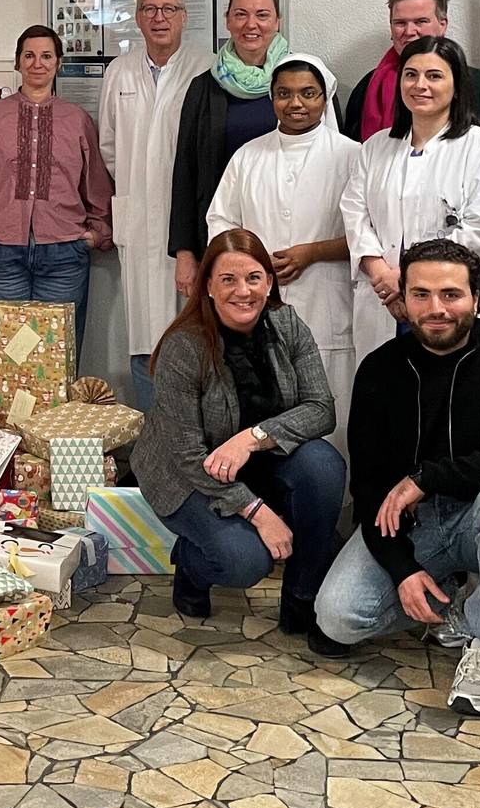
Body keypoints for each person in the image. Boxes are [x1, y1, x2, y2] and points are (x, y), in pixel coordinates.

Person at [313, 240, 480, 717]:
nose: (436, 309)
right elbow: (369, 485)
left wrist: (426, 478)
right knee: (338, 618)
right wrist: (402, 568)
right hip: (415, 524)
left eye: (451, 294)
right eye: (421, 295)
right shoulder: (380, 369)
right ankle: (457, 607)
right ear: (402, 299)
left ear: (477, 298)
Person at [133, 228, 348, 654]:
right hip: (188, 475)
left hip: (255, 458)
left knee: (324, 465)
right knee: (245, 561)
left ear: (269, 282)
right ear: (207, 286)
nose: (243, 291)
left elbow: (321, 409)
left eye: (253, 277)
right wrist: (258, 513)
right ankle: (192, 567)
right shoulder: (184, 346)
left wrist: (252, 438)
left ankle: (302, 600)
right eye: (228, 279)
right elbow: (187, 455)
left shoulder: (287, 325)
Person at [204, 54, 360, 452]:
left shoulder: (352, 155)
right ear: (271, 99)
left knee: (330, 408)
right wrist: (251, 266)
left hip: (328, 299)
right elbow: (221, 222)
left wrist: (314, 252)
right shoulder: (248, 156)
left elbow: (372, 234)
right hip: (258, 305)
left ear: (325, 98)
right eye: (284, 94)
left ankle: (334, 506)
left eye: (308, 93)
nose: (296, 103)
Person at [341, 36, 480, 357]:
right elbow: (355, 215)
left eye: (434, 75)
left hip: (457, 302)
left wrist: (408, 281)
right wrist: (382, 274)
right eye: (411, 74)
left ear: (457, 85)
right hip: (385, 303)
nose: (420, 84)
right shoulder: (375, 148)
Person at [0, 25, 114, 338]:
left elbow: (95, 182)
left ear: (58, 63)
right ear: (17, 63)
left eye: (46, 56)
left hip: (64, 251)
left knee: (58, 351)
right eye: (29, 55)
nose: (37, 63)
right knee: (7, 354)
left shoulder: (78, 118)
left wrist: (97, 233)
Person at [99, 0, 211, 407]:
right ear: (138, 17)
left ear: (184, 16)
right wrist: (138, 187)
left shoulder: (207, 67)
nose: (159, 17)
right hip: (137, 215)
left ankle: (191, 433)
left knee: (190, 329)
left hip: (188, 223)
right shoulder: (119, 72)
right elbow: (107, 144)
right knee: (143, 329)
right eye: (149, 9)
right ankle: (152, 433)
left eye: (169, 9)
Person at [168, 0, 292, 299]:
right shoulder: (203, 88)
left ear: (277, 21)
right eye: (241, 14)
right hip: (220, 237)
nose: (251, 24)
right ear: (227, 20)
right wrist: (185, 253)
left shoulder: (301, 80)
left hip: (289, 238)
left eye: (262, 15)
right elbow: (186, 171)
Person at [341, 0, 480, 142]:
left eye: (420, 22)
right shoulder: (367, 88)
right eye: (400, 23)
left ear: (442, 25)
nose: (409, 32)